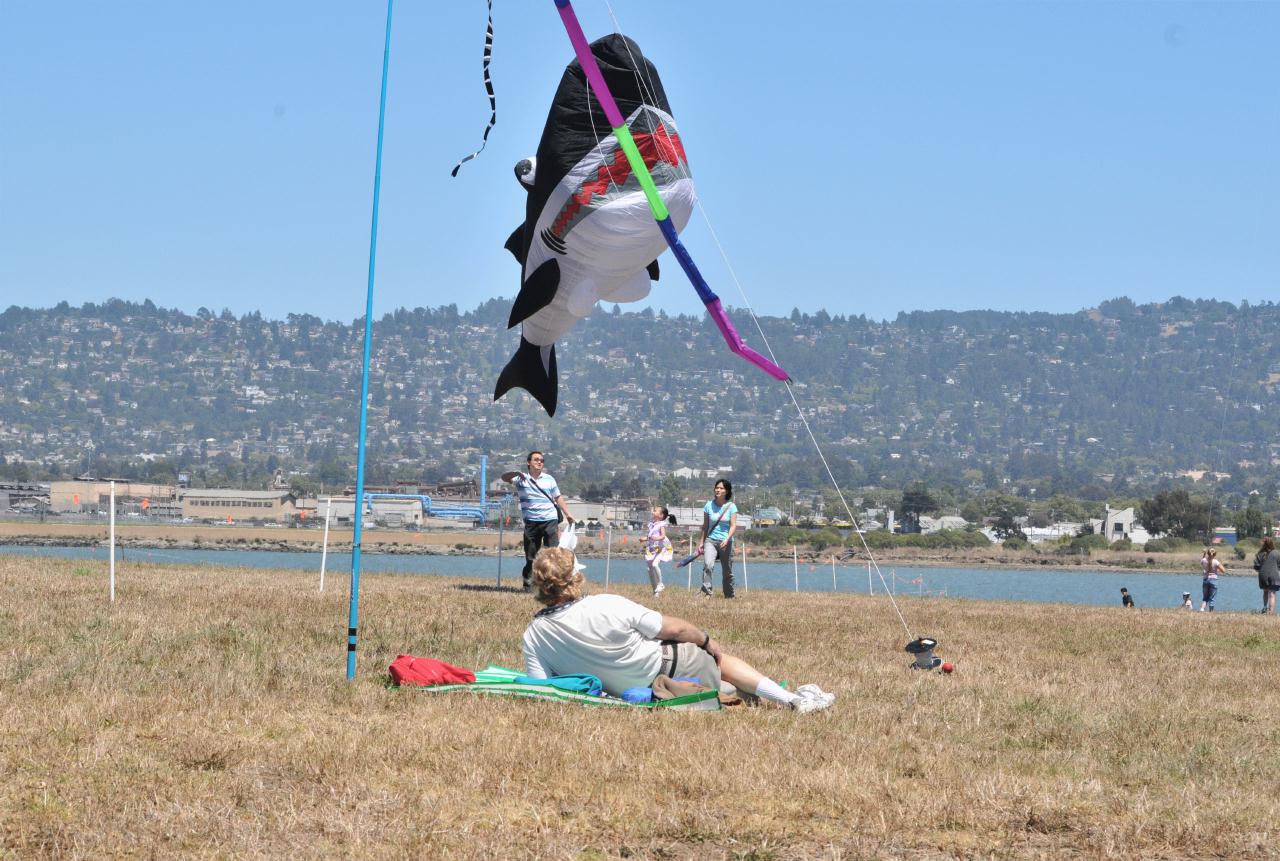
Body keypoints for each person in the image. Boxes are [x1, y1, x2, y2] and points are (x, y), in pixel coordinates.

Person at [522, 547, 835, 713]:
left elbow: (544, 688)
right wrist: (707, 640)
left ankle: (747, 696)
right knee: (718, 660)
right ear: (574, 579)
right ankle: (791, 699)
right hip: (670, 667)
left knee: (734, 692)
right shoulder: (605, 604)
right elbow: (672, 628)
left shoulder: (534, 635)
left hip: (630, 691)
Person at [502, 451, 575, 592]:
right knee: (531, 557)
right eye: (536, 460)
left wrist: (568, 514)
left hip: (550, 520)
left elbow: (558, 497)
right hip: (531, 522)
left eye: (542, 460)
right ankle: (528, 585)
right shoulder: (521, 479)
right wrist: (514, 474)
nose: (539, 462)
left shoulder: (549, 479)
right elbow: (504, 478)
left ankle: (551, 586)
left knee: (552, 555)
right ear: (529, 462)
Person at [699, 478, 738, 598]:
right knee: (708, 565)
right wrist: (701, 542)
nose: (718, 490)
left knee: (727, 571)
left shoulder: (731, 507)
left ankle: (729, 595)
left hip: (726, 541)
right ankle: (707, 592)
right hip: (710, 540)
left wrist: (727, 539)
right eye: (716, 487)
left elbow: (733, 526)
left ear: (726, 491)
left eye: (721, 488)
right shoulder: (708, 506)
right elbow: (705, 526)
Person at [644, 505, 677, 598]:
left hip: (662, 548)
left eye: (655, 510)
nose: (653, 511)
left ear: (661, 515)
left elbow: (662, 536)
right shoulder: (651, 524)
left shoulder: (661, 524)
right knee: (649, 569)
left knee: (655, 564)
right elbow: (650, 536)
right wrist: (644, 539)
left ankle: (661, 584)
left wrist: (656, 538)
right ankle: (655, 591)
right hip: (653, 548)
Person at [1253, 537, 1280, 615]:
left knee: (1265, 592)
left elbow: (1256, 566)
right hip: (1274, 576)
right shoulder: (1276, 553)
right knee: (1272, 594)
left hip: (1263, 575)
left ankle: (1264, 608)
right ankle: (1271, 612)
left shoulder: (1260, 553)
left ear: (1263, 544)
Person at [1200, 547, 1225, 612]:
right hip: (1213, 580)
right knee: (1212, 597)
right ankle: (1210, 612)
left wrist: (1204, 553)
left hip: (1205, 579)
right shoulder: (1216, 561)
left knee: (1205, 597)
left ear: (1208, 553)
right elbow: (1223, 571)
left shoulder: (1204, 560)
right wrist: (1216, 571)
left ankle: (1202, 609)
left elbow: (1203, 561)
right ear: (1215, 554)